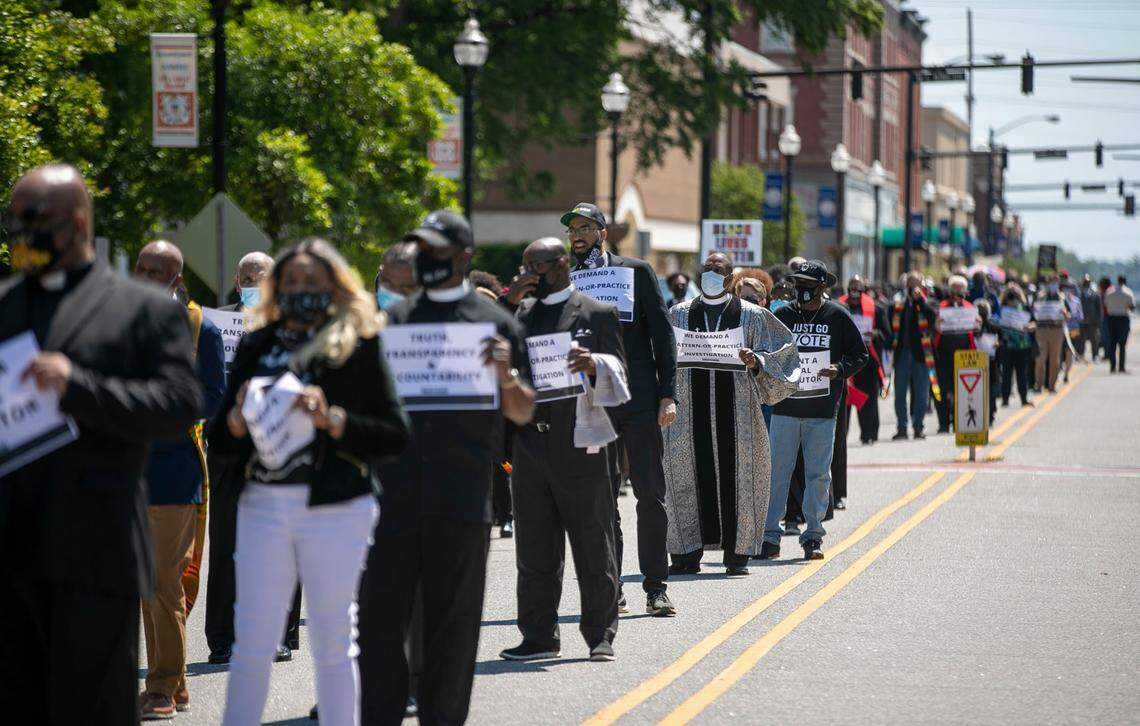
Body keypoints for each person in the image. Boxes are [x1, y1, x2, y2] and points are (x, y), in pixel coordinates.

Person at [0, 164, 201, 724]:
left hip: (96, 552)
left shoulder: (141, 310)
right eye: (12, 221)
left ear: (78, 221)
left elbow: (178, 405)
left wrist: (79, 386)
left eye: (32, 220)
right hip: (11, 553)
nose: (19, 233)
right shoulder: (6, 304)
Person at [209, 239, 409, 726]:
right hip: (263, 504)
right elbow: (220, 436)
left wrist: (335, 420)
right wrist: (234, 423)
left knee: (334, 641)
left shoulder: (358, 342)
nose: (301, 290)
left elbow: (392, 433)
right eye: (292, 281)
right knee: (252, 641)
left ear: (334, 286)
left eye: (312, 282)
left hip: (337, 506)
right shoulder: (259, 341)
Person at [357, 210, 536, 725]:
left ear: (463, 257)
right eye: (422, 250)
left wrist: (504, 377)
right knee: (381, 628)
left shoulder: (495, 323)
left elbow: (524, 411)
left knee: (452, 631)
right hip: (391, 499)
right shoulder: (390, 322)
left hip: (461, 500)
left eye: (437, 251)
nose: (427, 259)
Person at [501, 238, 626, 661]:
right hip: (529, 442)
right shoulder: (521, 313)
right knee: (534, 544)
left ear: (558, 265)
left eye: (532, 266)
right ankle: (538, 636)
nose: (526, 274)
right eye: (524, 267)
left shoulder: (595, 312)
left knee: (592, 539)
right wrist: (507, 303)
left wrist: (596, 365)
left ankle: (600, 634)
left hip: (579, 439)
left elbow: (620, 373)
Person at [560, 202, 678, 616]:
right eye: (573, 229)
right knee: (601, 498)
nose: (578, 235)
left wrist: (669, 394)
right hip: (591, 401)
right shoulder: (566, 280)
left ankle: (655, 586)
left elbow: (662, 335)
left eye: (586, 228)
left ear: (603, 233)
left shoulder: (636, 271)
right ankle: (612, 586)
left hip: (641, 399)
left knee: (650, 494)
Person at [133, 241, 227, 719]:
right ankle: (173, 684)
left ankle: (163, 686)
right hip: (125, 472)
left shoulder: (200, 327)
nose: (146, 277)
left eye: (158, 271)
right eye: (141, 268)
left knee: (162, 583)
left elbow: (213, 398)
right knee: (143, 586)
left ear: (176, 279)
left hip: (173, 470)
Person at [665, 254, 799, 575]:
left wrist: (757, 363)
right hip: (687, 417)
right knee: (684, 478)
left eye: (719, 271)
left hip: (739, 417)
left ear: (730, 279)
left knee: (742, 478)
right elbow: (661, 355)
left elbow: (785, 353)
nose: (712, 275)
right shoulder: (678, 315)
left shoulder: (753, 317)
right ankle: (686, 553)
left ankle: (737, 554)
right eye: (707, 270)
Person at [205, 251, 302, 666]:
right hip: (229, 447)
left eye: (261, 277)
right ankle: (223, 638)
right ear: (236, 279)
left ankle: (279, 634)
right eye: (247, 276)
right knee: (227, 542)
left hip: (278, 446)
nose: (252, 283)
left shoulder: (294, 326)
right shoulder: (215, 325)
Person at [763, 261, 867, 561]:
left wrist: (839, 369)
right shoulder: (782, 315)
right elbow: (766, 349)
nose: (802, 290)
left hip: (822, 410)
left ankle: (813, 535)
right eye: (798, 284)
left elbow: (860, 355)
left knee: (818, 475)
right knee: (777, 474)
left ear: (823, 287)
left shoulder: (837, 316)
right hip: (785, 408)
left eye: (809, 284)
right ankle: (770, 536)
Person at [839, 275, 890, 445]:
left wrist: (875, 335)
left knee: (869, 399)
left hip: (867, 361)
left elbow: (887, 336)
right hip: (844, 360)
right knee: (843, 401)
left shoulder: (876, 309)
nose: (854, 291)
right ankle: (841, 437)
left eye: (858, 288)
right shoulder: (838, 307)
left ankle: (868, 434)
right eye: (851, 288)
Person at [890, 272, 938, 440]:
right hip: (902, 353)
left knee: (921, 393)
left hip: (921, 354)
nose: (914, 288)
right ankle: (902, 428)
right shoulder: (898, 303)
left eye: (917, 284)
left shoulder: (928, 302)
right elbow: (890, 323)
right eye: (911, 284)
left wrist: (919, 300)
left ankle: (919, 427)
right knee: (900, 393)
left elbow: (932, 318)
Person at [933, 276, 978, 434]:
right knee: (943, 391)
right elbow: (936, 327)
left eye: (961, 289)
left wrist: (977, 323)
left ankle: (959, 422)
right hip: (944, 355)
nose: (958, 292)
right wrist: (937, 325)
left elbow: (975, 327)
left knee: (962, 391)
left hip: (964, 355)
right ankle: (944, 423)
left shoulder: (969, 307)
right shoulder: (943, 307)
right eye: (955, 289)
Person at [997, 285, 1034, 408]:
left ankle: (1023, 398)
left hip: (1022, 345)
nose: (1013, 300)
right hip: (1007, 345)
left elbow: (1034, 322)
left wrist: (1030, 327)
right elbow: (996, 322)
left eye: (1015, 297)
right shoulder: (1001, 309)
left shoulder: (1025, 308)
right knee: (1006, 373)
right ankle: (1005, 399)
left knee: (1022, 373)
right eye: (1010, 297)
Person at [1033, 274, 1069, 392]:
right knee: (1040, 358)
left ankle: (1052, 385)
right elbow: (1033, 311)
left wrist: (1065, 314)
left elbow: (1068, 314)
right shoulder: (1040, 296)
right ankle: (1038, 385)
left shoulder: (1062, 298)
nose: (1054, 285)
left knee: (1055, 359)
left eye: (1056, 282)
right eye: (1052, 282)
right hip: (1042, 330)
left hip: (1056, 330)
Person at [374, 241, 420, 310]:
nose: (394, 293)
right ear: (381, 271)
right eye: (387, 283)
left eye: (405, 288)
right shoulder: (363, 313)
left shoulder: (437, 318)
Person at [1105, 275, 1135, 373]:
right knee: (1122, 345)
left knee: (1112, 343)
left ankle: (1112, 366)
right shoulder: (1128, 292)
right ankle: (1121, 367)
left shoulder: (1110, 292)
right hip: (1123, 319)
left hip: (1112, 319)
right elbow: (1132, 307)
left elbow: (1106, 304)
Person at [1077, 274, 1103, 361]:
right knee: (1081, 340)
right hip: (1082, 321)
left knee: (1094, 339)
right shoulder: (1079, 295)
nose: (1086, 284)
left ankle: (1095, 355)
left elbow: (1099, 309)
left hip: (1092, 321)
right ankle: (1081, 354)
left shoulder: (1095, 295)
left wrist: (1099, 321)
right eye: (1085, 282)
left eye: (1087, 282)